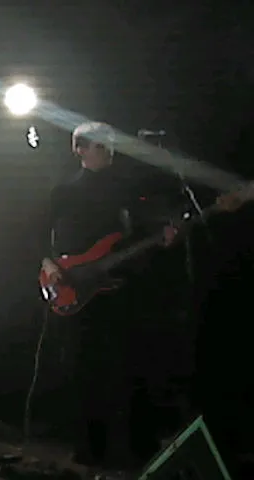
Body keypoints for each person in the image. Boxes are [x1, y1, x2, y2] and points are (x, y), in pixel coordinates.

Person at [40, 122, 179, 469]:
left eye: (111, 145)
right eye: (101, 146)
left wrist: (164, 231)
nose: (109, 151)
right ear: (80, 150)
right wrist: (48, 264)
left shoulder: (126, 188)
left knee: (130, 366)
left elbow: (143, 227)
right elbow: (35, 233)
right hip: (76, 285)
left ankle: (137, 448)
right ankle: (89, 449)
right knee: (84, 369)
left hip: (119, 286)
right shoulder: (64, 190)